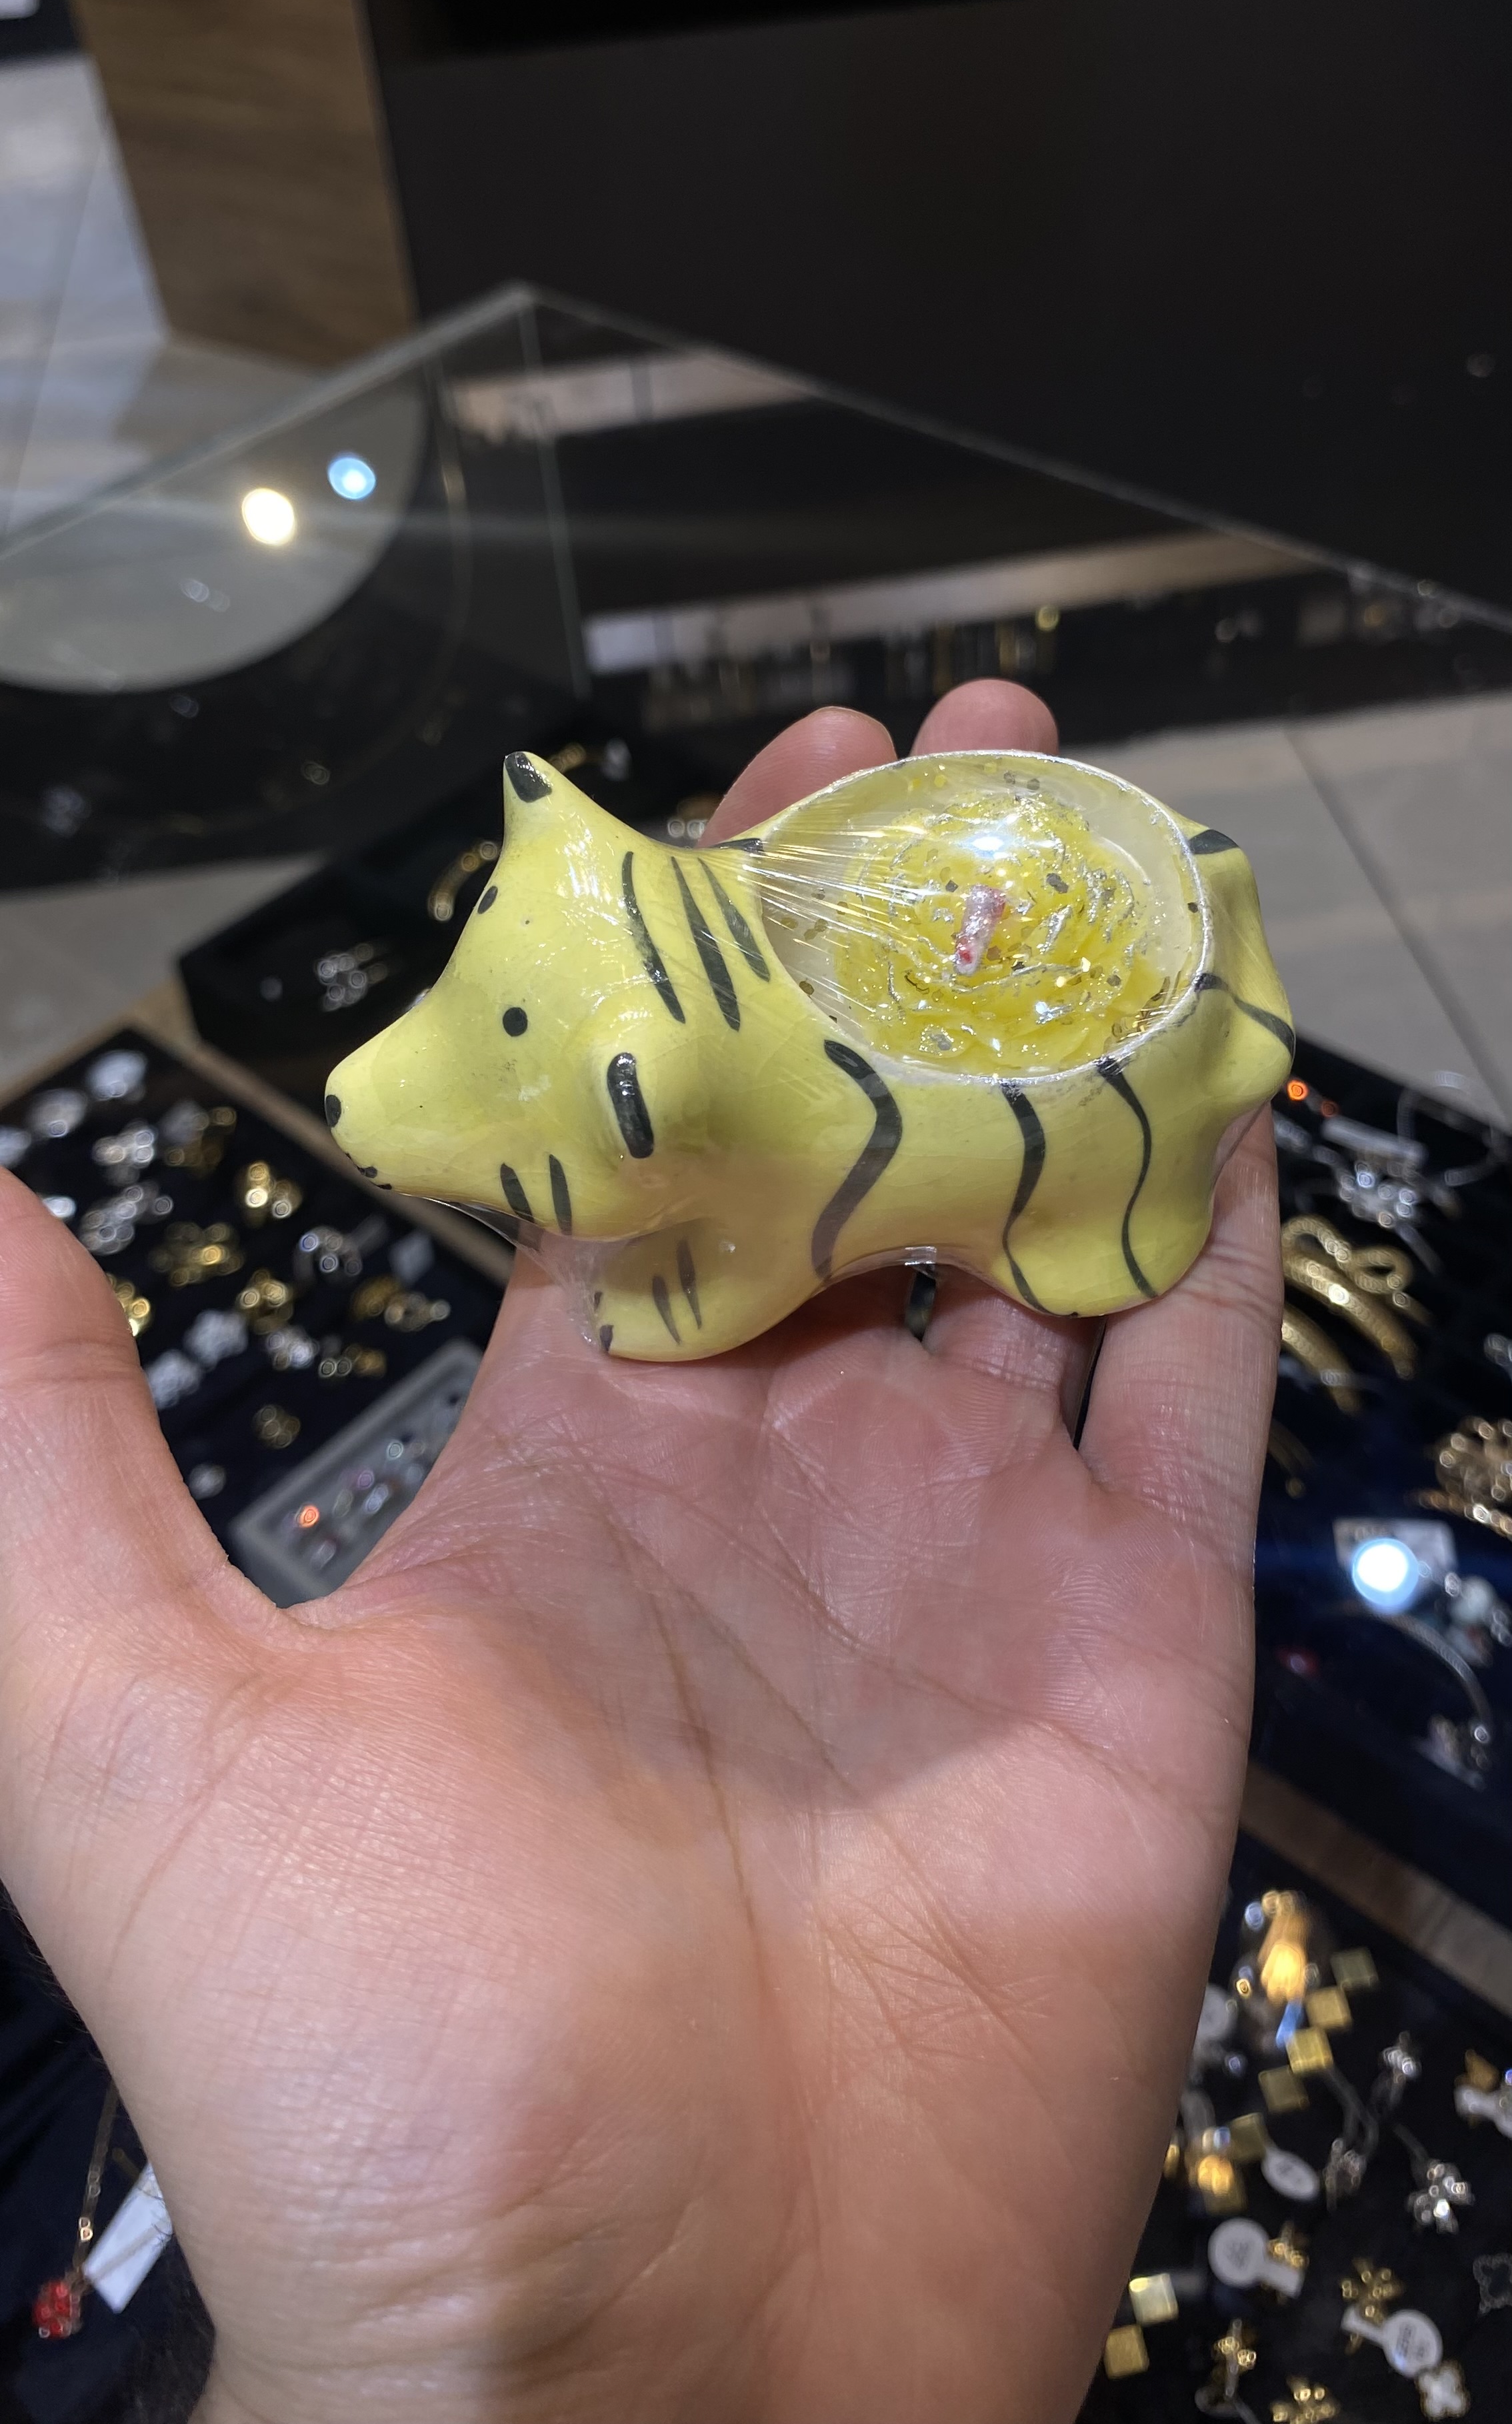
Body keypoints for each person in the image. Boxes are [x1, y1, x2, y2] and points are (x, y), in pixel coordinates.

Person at [0, 682, 1281, 2424]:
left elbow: (719, 1254)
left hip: (1102, 1076)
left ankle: (1098, 1183)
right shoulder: (658, 1083)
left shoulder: (710, 1144)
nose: (384, 1092)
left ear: (645, 1118)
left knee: (1054, 1186)